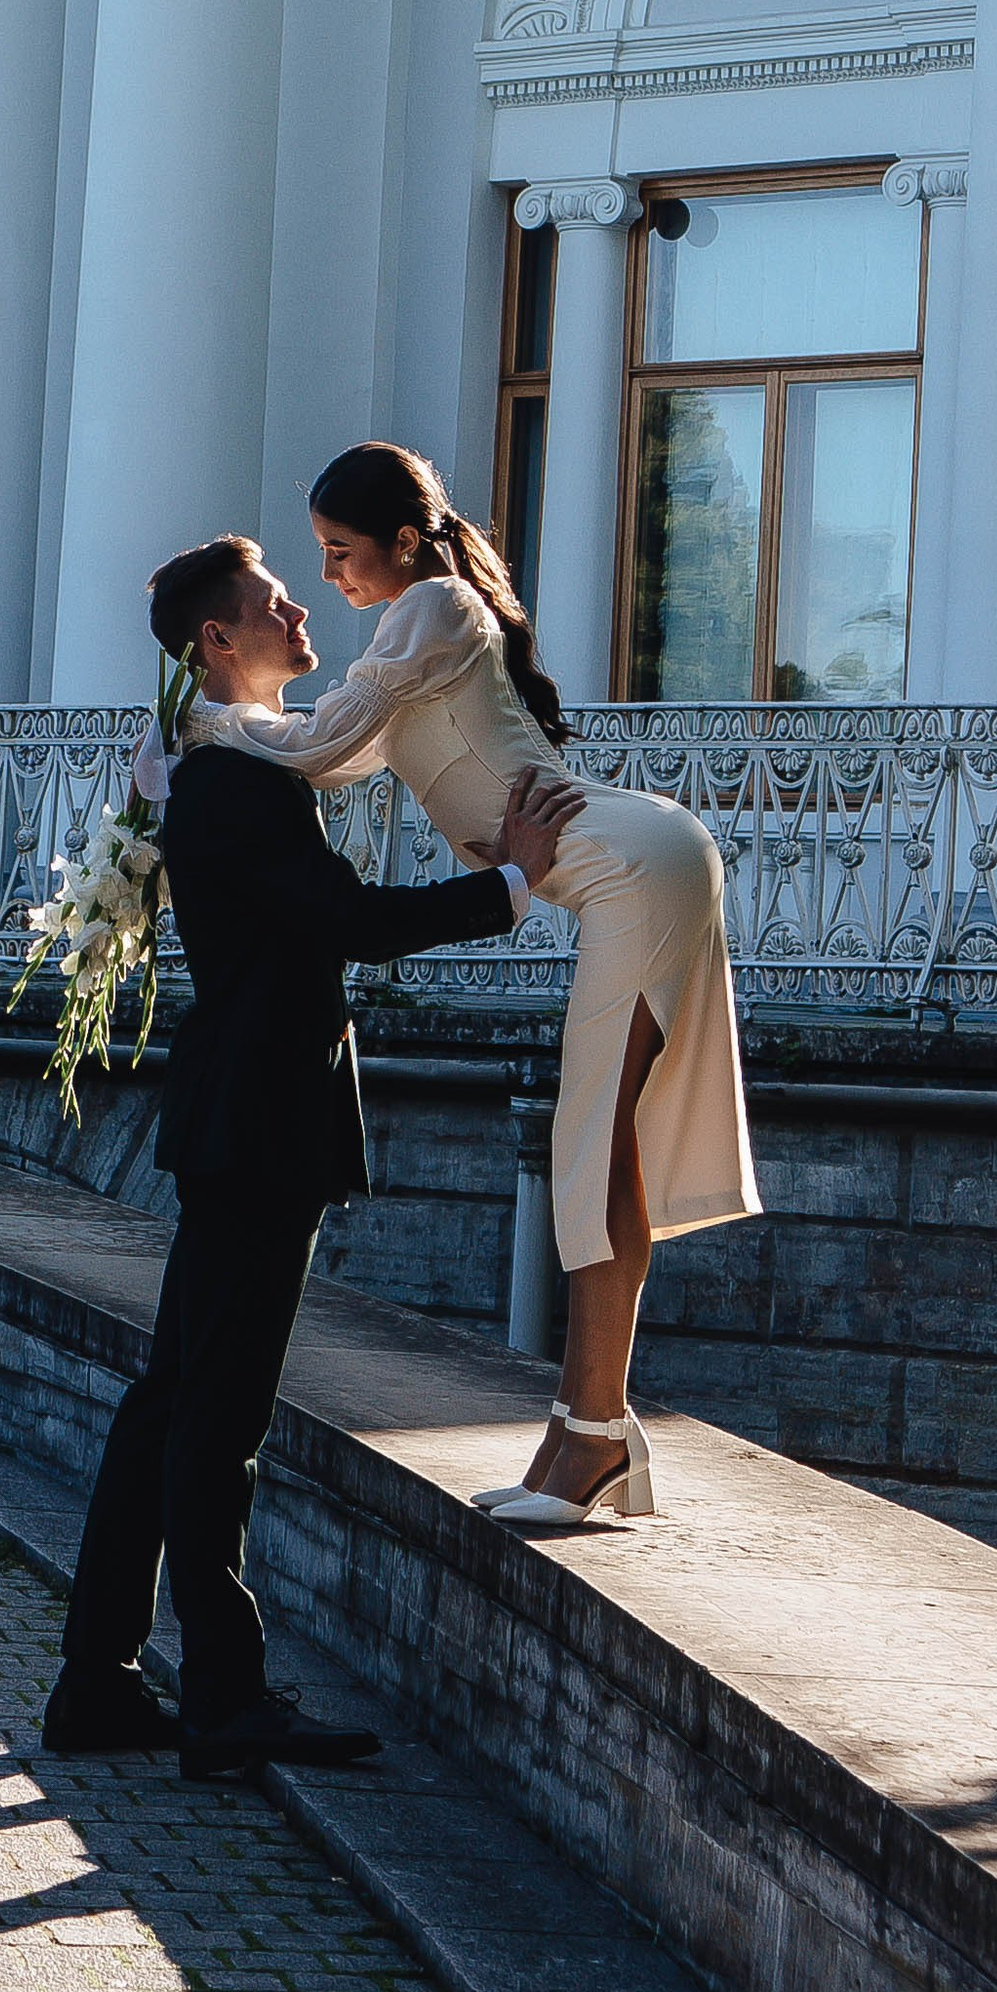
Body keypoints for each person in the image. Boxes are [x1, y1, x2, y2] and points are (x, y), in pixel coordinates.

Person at [48, 531, 583, 1783]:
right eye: (273, 601)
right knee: (214, 1420)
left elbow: (313, 913)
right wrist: (509, 884)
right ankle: (224, 1700)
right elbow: (339, 922)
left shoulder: (218, 764)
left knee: (168, 1404)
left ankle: (99, 1681)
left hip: (239, 1115)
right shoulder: (231, 776)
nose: (302, 610)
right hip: (261, 1120)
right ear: (215, 644)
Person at [186, 441, 761, 1532]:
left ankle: (591, 1441)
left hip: (635, 871)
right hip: (637, 867)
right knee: (604, 1149)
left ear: (404, 544)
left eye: (341, 553)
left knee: (590, 1148)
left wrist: (193, 723)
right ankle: (590, 1437)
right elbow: (338, 748)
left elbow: (312, 751)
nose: (332, 580)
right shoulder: (414, 635)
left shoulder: (434, 605)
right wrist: (224, 730)